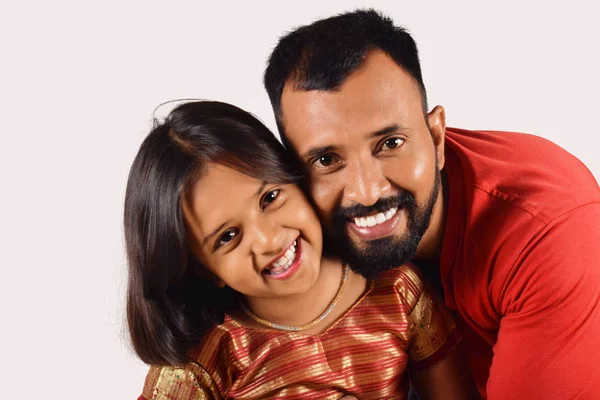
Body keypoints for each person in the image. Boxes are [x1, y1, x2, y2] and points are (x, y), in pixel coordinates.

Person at [263, 9, 600, 399]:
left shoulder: (549, 230)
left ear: (436, 138)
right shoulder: (288, 221)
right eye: (327, 160)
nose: (367, 191)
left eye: (390, 144)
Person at [126, 101, 478, 399]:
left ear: (298, 178)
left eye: (270, 198)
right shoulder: (208, 360)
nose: (267, 239)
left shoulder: (398, 292)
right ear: (204, 270)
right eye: (228, 236)